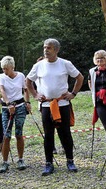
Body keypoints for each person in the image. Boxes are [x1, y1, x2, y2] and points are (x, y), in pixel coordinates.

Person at [26, 38, 84, 176]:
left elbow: (80, 77)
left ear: (56, 50)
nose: (46, 50)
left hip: (62, 103)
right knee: (48, 135)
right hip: (46, 105)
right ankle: (48, 163)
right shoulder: (39, 66)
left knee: (65, 133)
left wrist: (73, 93)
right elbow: (28, 81)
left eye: (49, 48)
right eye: (45, 47)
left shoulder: (65, 63)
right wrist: (35, 95)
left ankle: (70, 161)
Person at [0, 56, 30, 172]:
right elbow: (2, 90)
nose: (4, 71)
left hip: (20, 107)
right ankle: (5, 162)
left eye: (6, 69)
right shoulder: (1, 77)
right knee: (6, 135)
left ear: (12, 67)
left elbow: (25, 89)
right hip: (6, 108)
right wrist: (8, 103)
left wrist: (28, 102)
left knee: (18, 133)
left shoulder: (21, 75)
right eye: (3, 69)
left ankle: (20, 159)